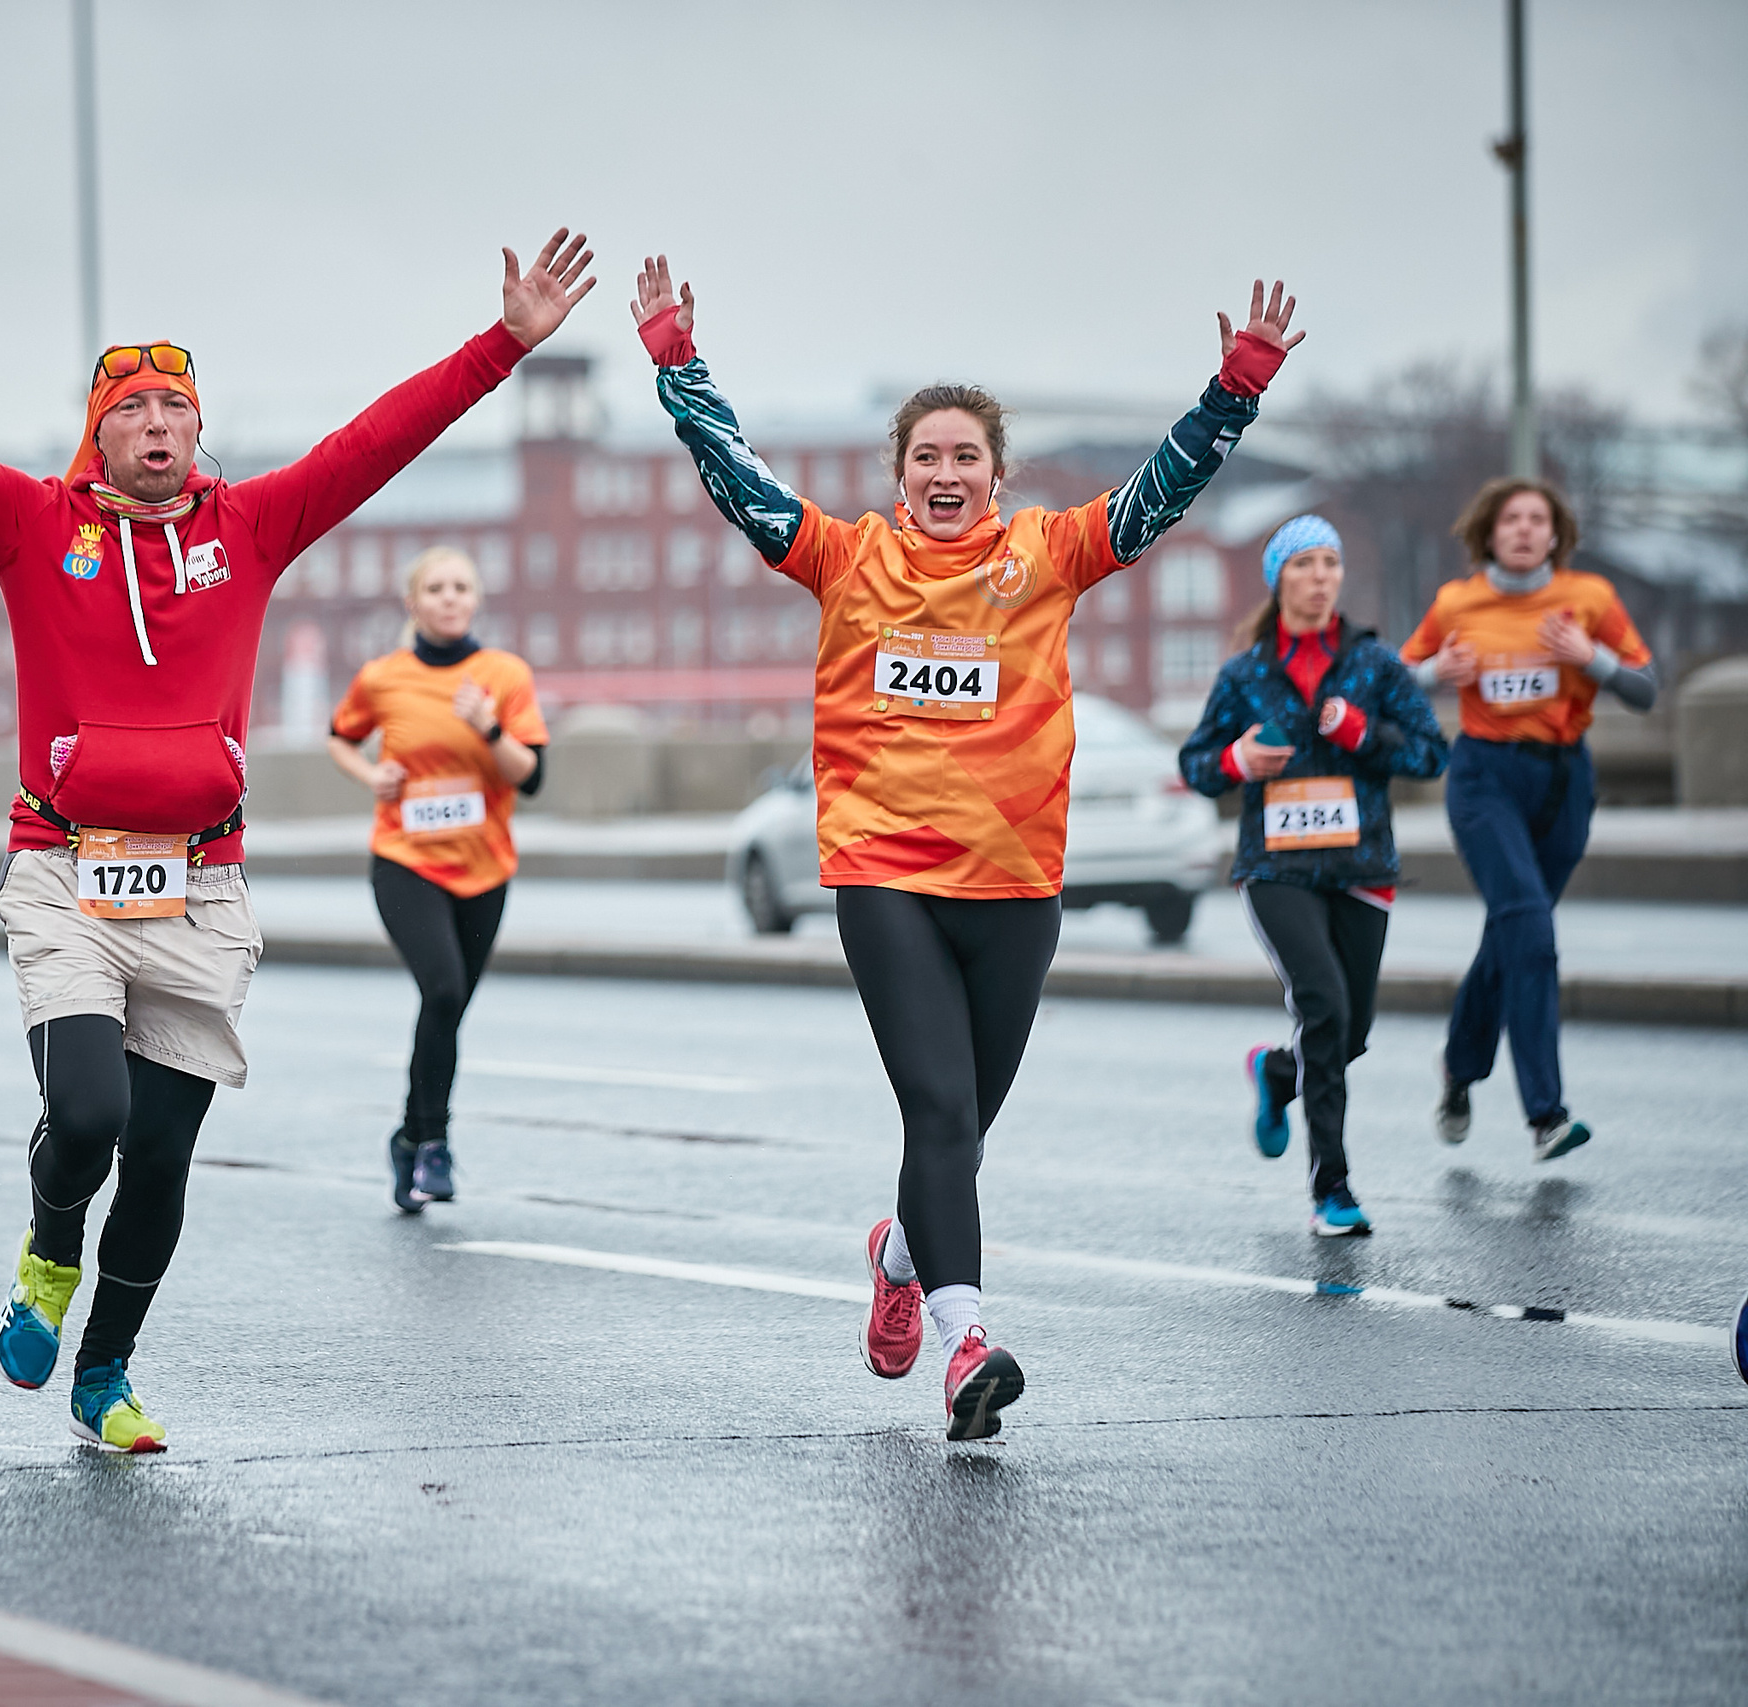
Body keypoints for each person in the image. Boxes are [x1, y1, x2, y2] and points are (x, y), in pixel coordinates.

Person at [0, 225, 595, 1451]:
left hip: (200, 886)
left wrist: (503, 348)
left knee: (161, 1159)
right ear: (99, 430)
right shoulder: (25, 524)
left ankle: (104, 1374)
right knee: (93, 1116)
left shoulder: (253, 528)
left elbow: (380, 440)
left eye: (179, 406)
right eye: (136, 408)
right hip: (64, 868)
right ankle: (48, 1253)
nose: (161, 425)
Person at [629, 255, 1301, 1441]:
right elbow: (733, 477)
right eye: (924, 457)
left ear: (995, 474)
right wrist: (676, 360)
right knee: (939, 1111)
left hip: (1015, 883)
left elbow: (1160, 492)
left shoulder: (1047, 554)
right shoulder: (843, 559)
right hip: (884, 876)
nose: (946, 473)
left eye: (964, 456)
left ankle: (898, 1249)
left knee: (962, 1129)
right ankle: (965, 1342)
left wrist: (1233, 388)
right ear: (897, 479)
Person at [1179, 516, 1448, 1236]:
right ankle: (1333, 1188)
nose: (1322, 575)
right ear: (1280, 579)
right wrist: (1236, 760)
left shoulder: (1376, 665)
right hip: (1276, 868)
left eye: (1331, 561)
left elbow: (1431, 754)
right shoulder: (1245, 674)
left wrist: (1365, 734)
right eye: (1305, 563)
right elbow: (1196, 766)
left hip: (1361, 867)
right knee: (1323, 1007)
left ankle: (1276, 1073)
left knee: (1349, 1032)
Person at [1400, 479, 1654, 1162]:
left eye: (1537, 518)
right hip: (1484, 777)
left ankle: (1458, 1066)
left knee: (1515, 931)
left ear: (1556, 532)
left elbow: (1646, 687)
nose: (1523, 529)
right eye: (1510, 518)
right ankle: (1546, 1114)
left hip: (1566, 779)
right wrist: (1434, 673)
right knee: (1531, 928)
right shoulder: (1458, 602)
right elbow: (1391, 682)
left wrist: (1588, 657)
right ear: (1489, 531)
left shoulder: (1589, 598)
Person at [329, 547, 547, 1212]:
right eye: (436, 588)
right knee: (444, 987)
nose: (450, 598)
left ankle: (408, 1135)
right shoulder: (383, 677)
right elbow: (340, 735)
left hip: (484, 868)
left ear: (475, 598)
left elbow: (530, 776)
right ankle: (434, 1144)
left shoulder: (503, 675)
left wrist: (487, 726)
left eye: (461, 587)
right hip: (406, 861)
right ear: (414, 602)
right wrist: (373, 776)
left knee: (446, 1010)